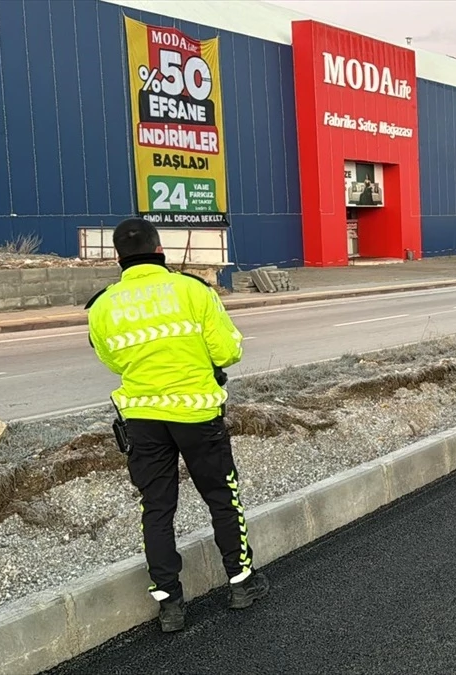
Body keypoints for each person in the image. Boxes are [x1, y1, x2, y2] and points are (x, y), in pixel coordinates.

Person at [85, 218, 268, 633]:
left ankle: (169, 604)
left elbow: (112, 361)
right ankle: (241, 583)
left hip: (143, 421)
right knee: (222, 496)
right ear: (160, 251)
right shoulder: (191, 290)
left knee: (157, 508)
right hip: (197, 414)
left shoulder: (103, 306)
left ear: (117, 258)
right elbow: (228, 349)